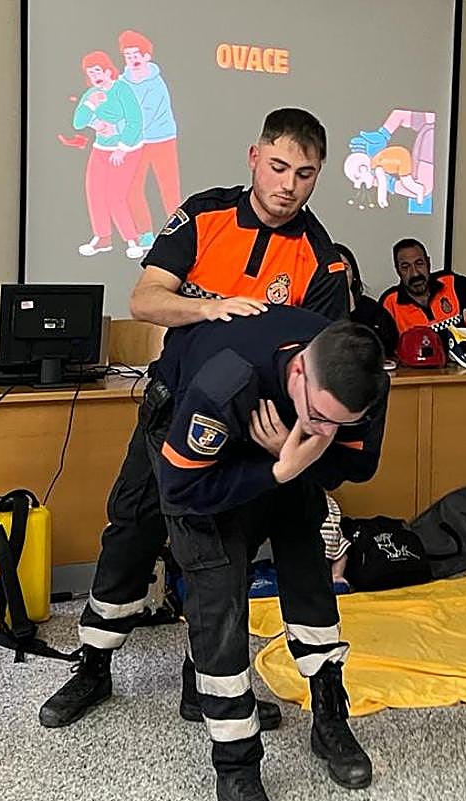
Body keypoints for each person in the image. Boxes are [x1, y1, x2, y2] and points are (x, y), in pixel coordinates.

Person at [40, 108, 349, 730]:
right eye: (279, 167)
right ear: (255, 157)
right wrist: (212, 310)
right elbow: (144, 299)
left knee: (223, 557)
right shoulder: (204, 215)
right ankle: (94, 666)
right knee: (131, 531)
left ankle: (204, 679)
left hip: (253, 429)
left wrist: (286, 444)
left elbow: (320, 371)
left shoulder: (323, 258)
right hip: (170, 410)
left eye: (305, 175)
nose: (289, 186)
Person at [154, 309, 389, 801]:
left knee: (310, 572)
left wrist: (293, 452)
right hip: (202, 468)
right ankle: (236, 765)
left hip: (281, 454)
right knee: (219, 602)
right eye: (320, 416)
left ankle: (330, 719)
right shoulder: (225, 382)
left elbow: (357, 467)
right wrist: (279, 467)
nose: (326, 430)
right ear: (300, 370)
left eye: (339, 425)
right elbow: (181, 490)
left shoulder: (361, 381)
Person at [72, 51, 145, 260]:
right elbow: (78, 122)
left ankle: (132, 239)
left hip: (127, 150)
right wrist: (92, 109)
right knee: (94, 192)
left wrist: (122, 147)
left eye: (97, 71)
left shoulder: (122, 89)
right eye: (90, 72)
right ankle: (102, 237)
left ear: (107, 71)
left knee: (116, 196)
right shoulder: (92, 94)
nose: (95, 76)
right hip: (101, 149)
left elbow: (135, 121)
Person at [117, 30, 182, 253]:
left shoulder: (156, 82)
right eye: (128, 55)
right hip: (136, 143)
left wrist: (127, 133)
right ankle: (145, 233)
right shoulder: (122, 84)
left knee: (169, 187)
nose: (132, 59)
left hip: (161, 139)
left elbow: (146, 113)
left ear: (146, 56)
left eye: (136, 54)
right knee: (132, 188)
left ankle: (179, 233)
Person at [380, 238, 466, 335]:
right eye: (405, 267)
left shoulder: (451, 283)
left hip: (456, 361)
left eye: (419, 263)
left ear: (428, 263)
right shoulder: (389, 302)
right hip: (413, 364)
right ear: (397, 270)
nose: (414, 273)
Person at [333, 241, 398, 355]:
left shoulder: (372, 309)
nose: (340, 275)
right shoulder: (315, 307)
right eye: (334, 269)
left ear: (354, 274)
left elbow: (388, 345)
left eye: (345, 268)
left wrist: (352, 310)